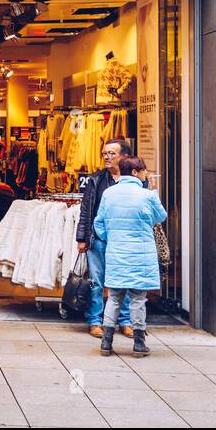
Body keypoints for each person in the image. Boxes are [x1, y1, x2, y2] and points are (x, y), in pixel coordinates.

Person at [94, 156, 167, 359]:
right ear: (135, 173)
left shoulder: (109, 194)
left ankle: (106, 342)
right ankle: (139, 344)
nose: (145, 174)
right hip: (141, 255)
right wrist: (154, 192)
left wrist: (113, 238)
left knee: (114, 298)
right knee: (138, 299)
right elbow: (161, 217)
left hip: (116, 253)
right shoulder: (147, 196)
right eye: (143, 170)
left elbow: (98, 223)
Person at [77, 139, 133, 338]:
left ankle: (125, 321)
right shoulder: (96, 180)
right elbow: (86, 211)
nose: (107, 157)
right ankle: (95, 320)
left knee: (123, 280)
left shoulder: (133, 180)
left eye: (112, 153)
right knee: (96, 281)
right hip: (98, 238)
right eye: (105, 153)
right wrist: (81, 238)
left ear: (123, 156)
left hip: (123, 239)